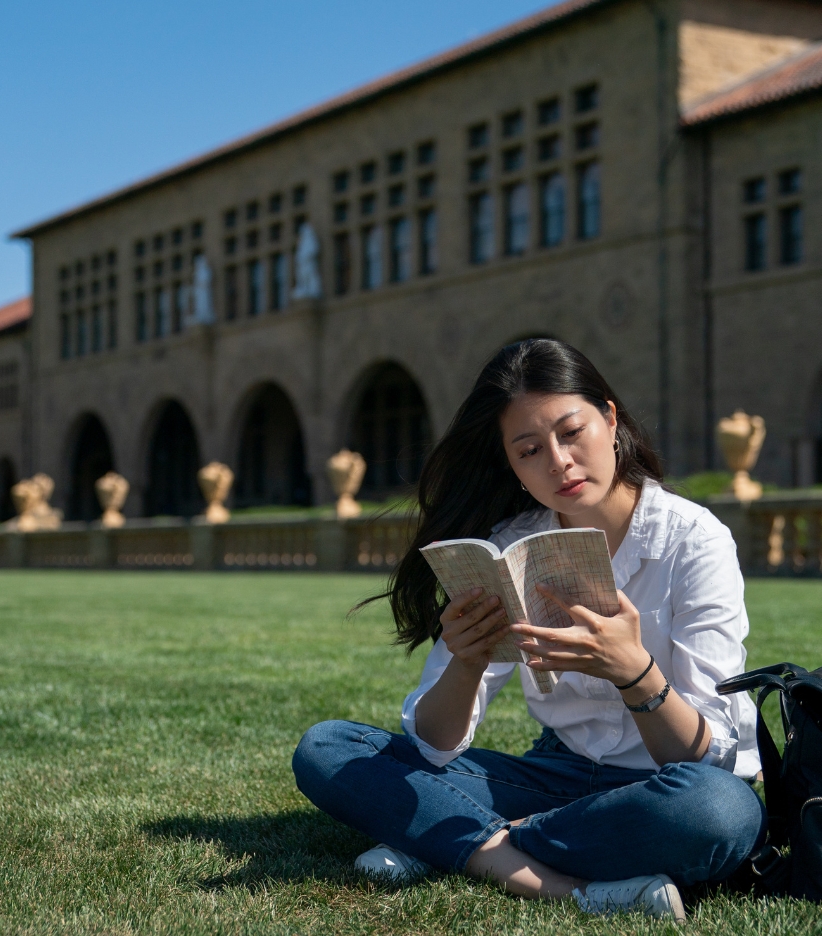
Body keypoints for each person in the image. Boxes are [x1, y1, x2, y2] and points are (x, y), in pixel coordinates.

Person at [292, 339, 764, 920]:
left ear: (610, 419)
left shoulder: (694, 541)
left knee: (721, 814)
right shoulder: (511, 545)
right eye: (529, 450)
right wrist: (466, 665)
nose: (559, 461)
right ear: (511, 465)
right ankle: (563, 883)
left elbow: (705, 759)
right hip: (557, 773)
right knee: (329, 748)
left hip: (667, 786)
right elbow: (433, 745)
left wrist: (635, 674)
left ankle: (457, 840)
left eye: (573, 433)